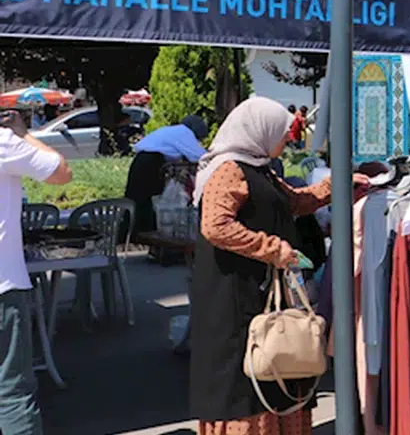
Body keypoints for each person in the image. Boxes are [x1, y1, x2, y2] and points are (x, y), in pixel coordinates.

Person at [189, 97, 367, 435]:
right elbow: (215, 226)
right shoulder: (229, 170)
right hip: (233, 296)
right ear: (261, 129)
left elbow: (293, 202)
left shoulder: (258, 168)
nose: (287, 138)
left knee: (275, 366)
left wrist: (339, 187)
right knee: (244, 379)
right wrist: (272, 249)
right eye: (283, 132)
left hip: (256, 290)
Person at [0, 110, 72, 435]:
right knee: (12, 393)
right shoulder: (4, 143)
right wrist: (23, 133)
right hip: (3, 287)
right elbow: (61, 172)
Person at [125, 115, 210, 234]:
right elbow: (199, 156)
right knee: (148, 199)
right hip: (151, 163)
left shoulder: (173, 131)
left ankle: (131, 232)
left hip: (140, 160)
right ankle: (145, 232)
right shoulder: (184, 133)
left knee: (136, 198)